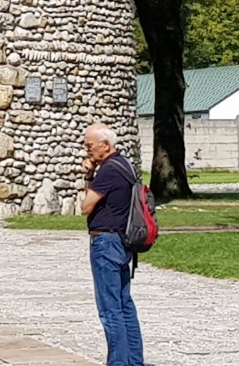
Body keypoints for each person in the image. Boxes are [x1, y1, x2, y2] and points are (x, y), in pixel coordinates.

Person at [81, 122, 144, 366]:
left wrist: (88, 176)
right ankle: (134, 361)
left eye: (90, 146)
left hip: (105, 241)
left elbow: (86, 206)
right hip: (122, 240)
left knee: (110, 309)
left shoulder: (107, 171)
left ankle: (118, 362)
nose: (87, 151)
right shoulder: (125, 164)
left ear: (105, 145)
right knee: (124, 304)